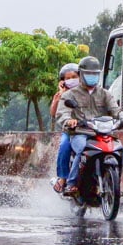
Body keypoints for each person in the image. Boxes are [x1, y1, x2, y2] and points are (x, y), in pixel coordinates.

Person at [57, 56, 123, 196]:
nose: (92, 77)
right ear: (81, 74)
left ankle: (114, 183)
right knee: (81, 149)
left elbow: (116, 111)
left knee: (122, 151)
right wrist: (69, 121)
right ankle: (71, 183)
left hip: (103, 132)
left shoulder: (105, 94)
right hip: (81, 132)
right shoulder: (70, 94)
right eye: (88, 74)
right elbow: (62, 113)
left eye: (95, 74)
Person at [49, 62, 80, 193]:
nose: (72, 80)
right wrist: (60, 94)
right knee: (64, 145)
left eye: (74, 76)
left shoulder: (87, 92)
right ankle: (62, 178)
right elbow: (53, 113)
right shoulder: (61, 95)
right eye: (68, 78)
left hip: (89, 129)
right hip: (70, 131)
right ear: (63, 81)